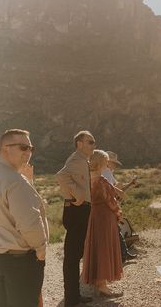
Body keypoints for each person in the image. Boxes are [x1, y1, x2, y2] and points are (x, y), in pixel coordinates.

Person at [0, 129, 48, 306]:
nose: (28, 153)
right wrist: (41, 250)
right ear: (5, 148)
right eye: (23, 147)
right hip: (19, 262)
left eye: (31, 148)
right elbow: (30, 223)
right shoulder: (15, 181)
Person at [56, 130, 95, 306]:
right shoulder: (76, 159)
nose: (93, 145)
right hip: (76, 210)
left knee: (75, 255)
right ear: (79, 143)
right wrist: (77, 194)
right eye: (90, 142)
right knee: (72, 257)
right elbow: (61, 176)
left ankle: (74, 296)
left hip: (80, 210)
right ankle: (71, 299)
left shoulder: (81, 160)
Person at [82, 150, 123, 297]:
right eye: (106, 162)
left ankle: (99, 282)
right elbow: (109, 201)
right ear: (100, 163)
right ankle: (102, 285)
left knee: (98, 247)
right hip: (105, 217)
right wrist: (118, 212)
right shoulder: (100, 180)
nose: (107, 164)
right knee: (104, 248)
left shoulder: (88, 178)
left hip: (95, 215)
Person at [101, 151, 137, 262]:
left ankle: (122, 254)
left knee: (114, 231)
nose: (115, 166)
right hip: (108, 207)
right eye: (114, 163)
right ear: (108, 162)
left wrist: (130, 184)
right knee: (115, 231)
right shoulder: (106, 173)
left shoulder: (107, 173)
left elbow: (118, 191)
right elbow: (116, 192)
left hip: (107, 206)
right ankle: (123, 255)